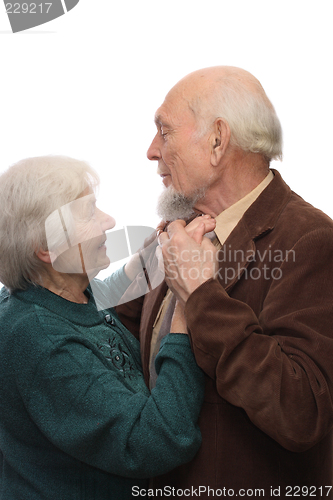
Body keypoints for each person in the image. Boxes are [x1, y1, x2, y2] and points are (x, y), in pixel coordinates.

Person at [115, 66, 333, 498]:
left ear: (217, 140)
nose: (151, 151)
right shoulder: (178, 231)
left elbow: (300, 411)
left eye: (164, 131)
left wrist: (200, 294)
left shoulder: (312, 241)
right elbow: (111, 332)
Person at [0, 155, 211, 500]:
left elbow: (105, 293)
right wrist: (188, 308)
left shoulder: (55, 294)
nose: (109, 222)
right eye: (88, 215)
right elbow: (155, 444)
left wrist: (158, 252)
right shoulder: (42, 342)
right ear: (46, 249)